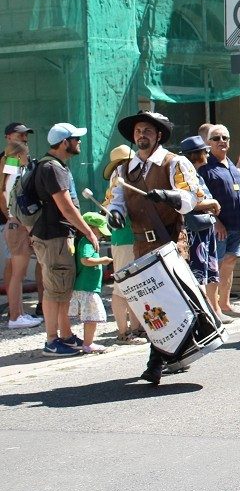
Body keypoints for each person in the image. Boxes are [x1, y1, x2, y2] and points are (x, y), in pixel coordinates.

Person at [105, 111, 202, 384]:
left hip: (169, 240)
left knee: (170, 301)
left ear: (158, 135)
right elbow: (115, 201)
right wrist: (114, 215)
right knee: (151, 304)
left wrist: (170, 196)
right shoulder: (124, 170)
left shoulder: (175, 163)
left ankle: (156, 361)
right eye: (137, 131)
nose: (141, 135)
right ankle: (171, 354)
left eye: (147, 130)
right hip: (140, 244)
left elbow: (193, 196)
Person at [32, 123, 101, 356]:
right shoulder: (53, 168)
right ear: (64, 143)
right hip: (54, 236)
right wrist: (89, 232)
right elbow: (66, 207)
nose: (79, 142)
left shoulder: (53, 166)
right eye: (76, 138)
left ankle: (66, 336)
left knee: (62, 289)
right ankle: (52, 341)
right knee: (54, 290)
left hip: (57, 236)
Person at [199, 124, 240, 320]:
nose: (222, 141)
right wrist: (216, 221)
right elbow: (202, 197)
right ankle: (213, 309)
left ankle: (225, 304)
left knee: (229, 263)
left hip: (237, 225)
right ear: (208, 143)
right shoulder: (205, 167)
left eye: (225, 138)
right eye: (217, 138)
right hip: (219, 227)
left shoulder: (232, 167)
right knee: (215, 266)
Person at [102, 145, 146, 344]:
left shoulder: (125, 179)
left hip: (132, 238)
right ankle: (123, 332)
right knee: (122, 287)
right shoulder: (120, 181)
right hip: (125, 239)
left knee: (133, 285)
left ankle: (135, 328)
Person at [2, 142, 41, 328]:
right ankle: (15, 317)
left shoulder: (9, 172)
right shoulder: (16, 174)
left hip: (13, 224)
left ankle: (19, 314)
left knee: (18, 273)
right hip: (18, 224)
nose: (28, 157)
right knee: (18, 274)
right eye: (26, 154)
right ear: (18, 156)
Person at [179, 137, 223, 297]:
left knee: (204, 276)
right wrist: (213, 203)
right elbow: (189, 202)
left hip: (204, 230)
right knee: (196, 277)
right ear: (196, 155)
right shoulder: (186, 176)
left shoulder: (196, 174)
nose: (208, 153)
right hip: (194, 232)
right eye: (205, 151)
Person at [70, 212, 112, 353]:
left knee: (90, 317)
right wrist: (103, 260)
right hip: (87, 287)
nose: (101, 235)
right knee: (92, 318)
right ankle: (88, 344)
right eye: (99, 231)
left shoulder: (85, 242)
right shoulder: (87, 242)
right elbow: (85, 260)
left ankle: (86, 342)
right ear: (90, 228)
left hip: (87, 286)